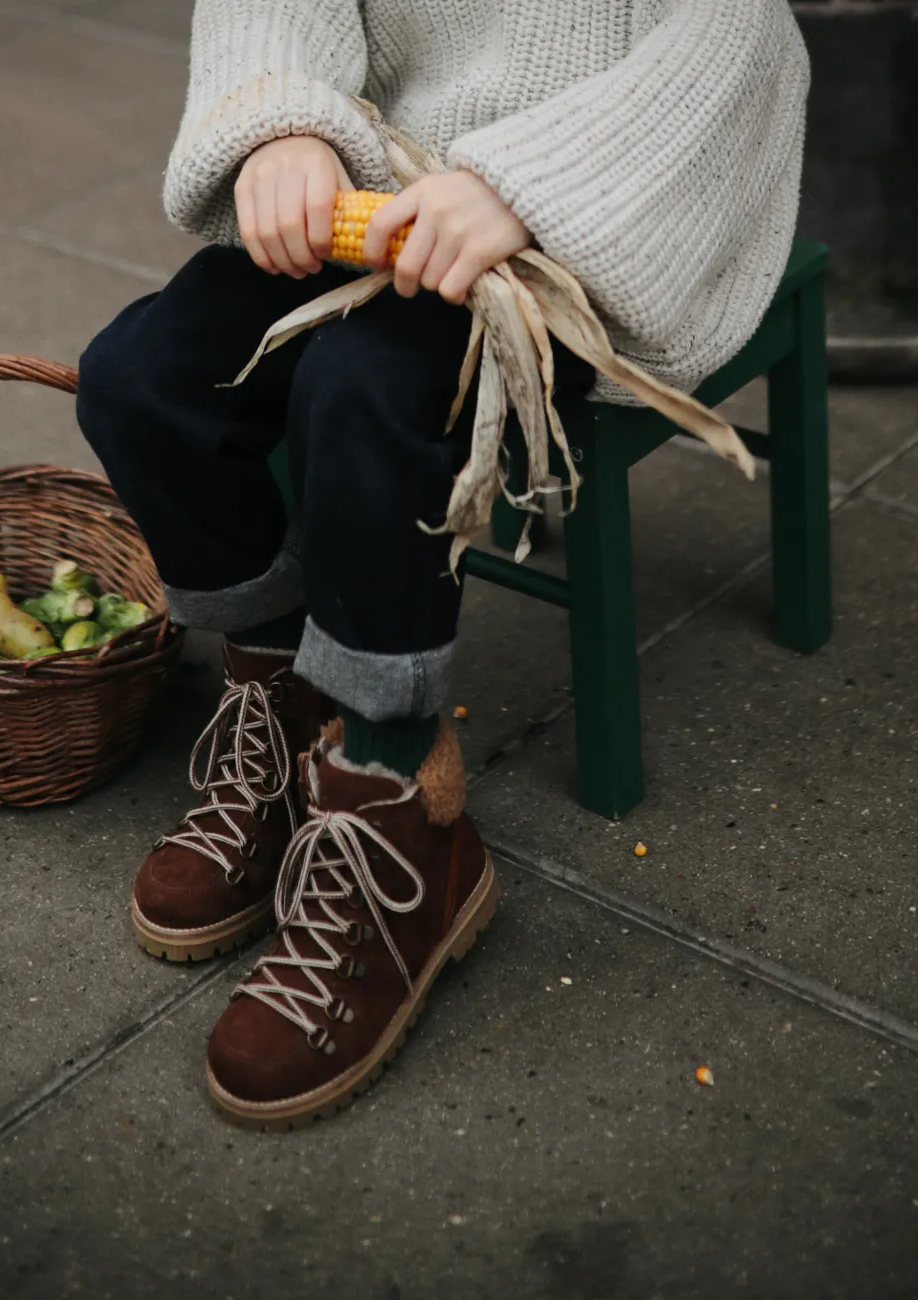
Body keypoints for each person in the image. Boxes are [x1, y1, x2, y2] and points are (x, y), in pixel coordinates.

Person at [76, 0, 809, 1127]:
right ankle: (284, 685)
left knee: (363, 396)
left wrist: (531, 186)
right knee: (140, 379)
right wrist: (281, 121)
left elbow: (741, 36)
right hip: (390, 174)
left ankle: (396, 798)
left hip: (587, 218)